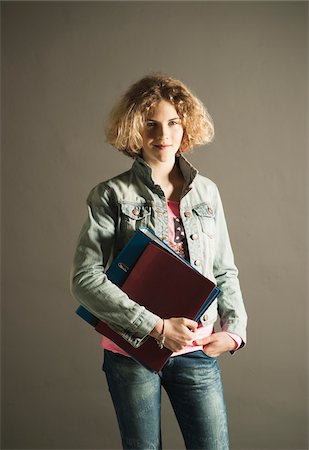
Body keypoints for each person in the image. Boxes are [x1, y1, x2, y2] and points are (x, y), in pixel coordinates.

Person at [70, 74, 247, 450]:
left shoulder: (207, 192)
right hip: (131, 353)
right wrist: (156, 327)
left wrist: (235, 330)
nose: (163, 134)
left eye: (172, 123)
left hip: (195, 350)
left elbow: (224, 269)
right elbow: (85, 280)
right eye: (150, 124)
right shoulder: (109, 195)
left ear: (186, 126)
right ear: (134, 129)